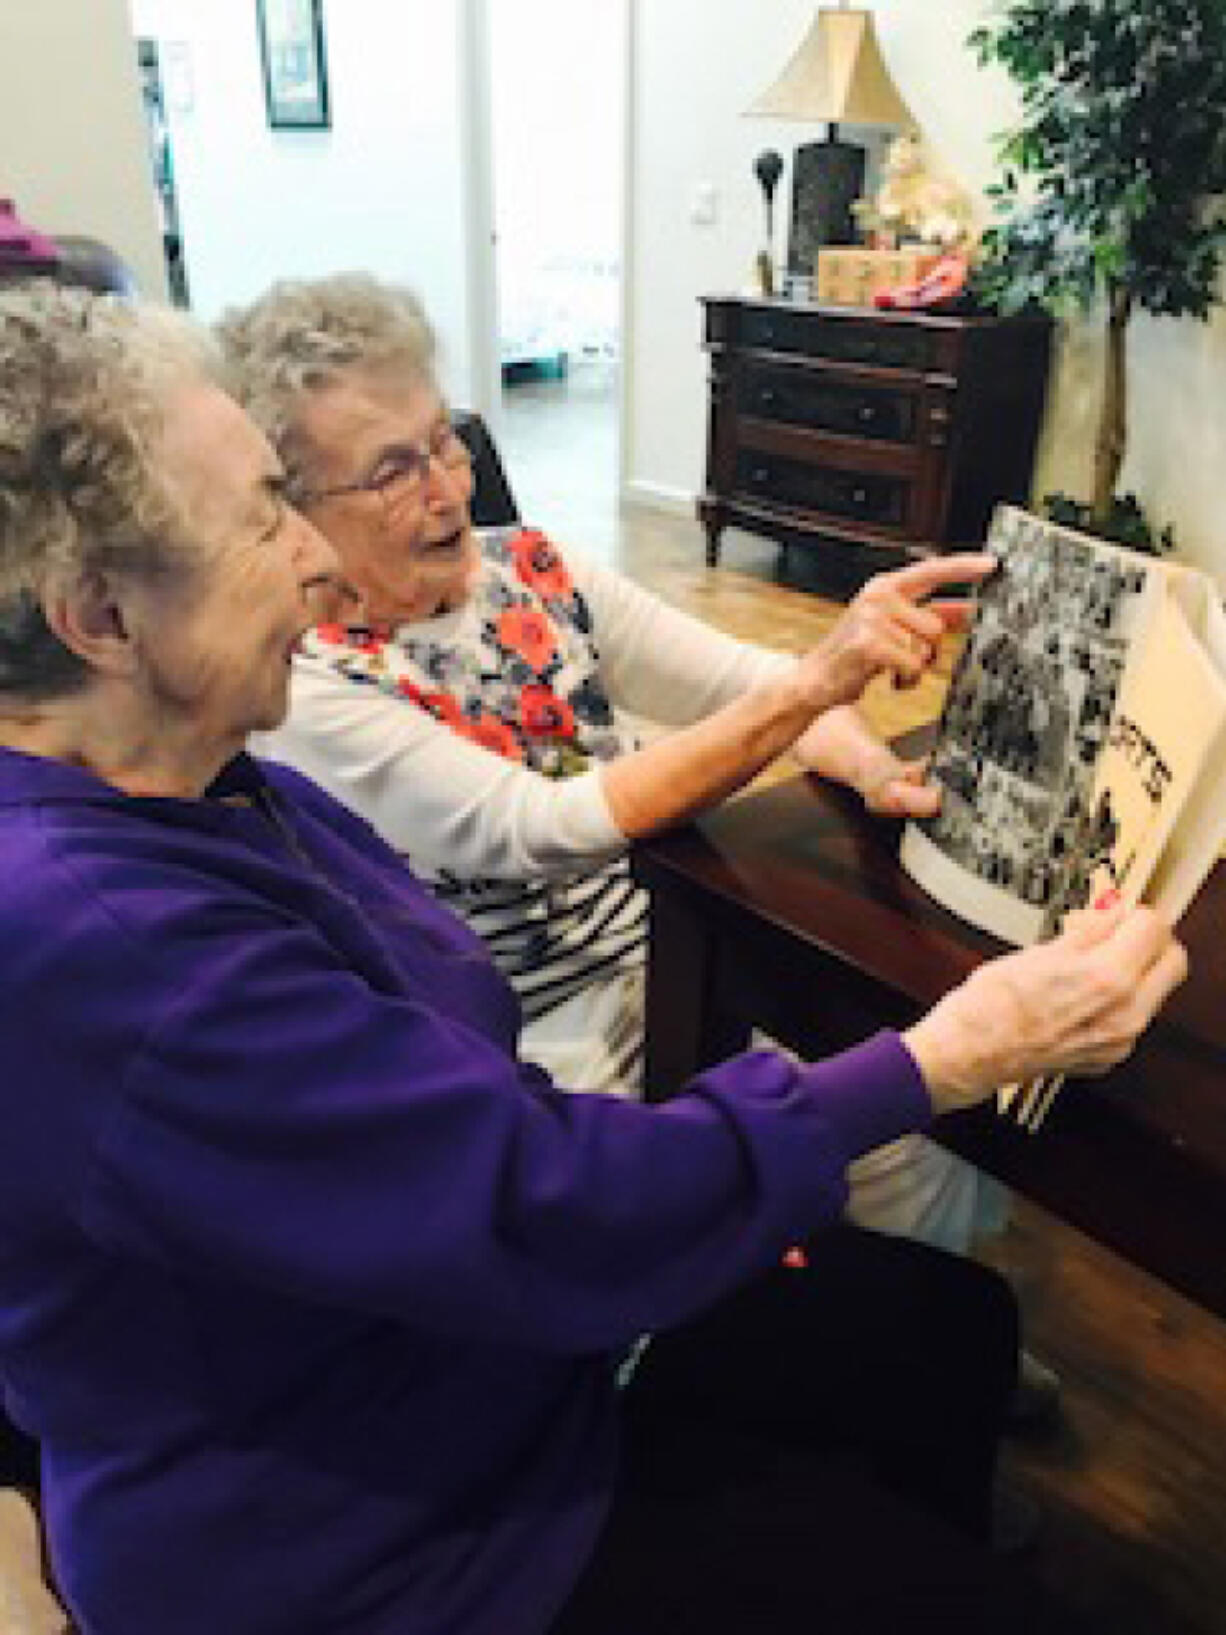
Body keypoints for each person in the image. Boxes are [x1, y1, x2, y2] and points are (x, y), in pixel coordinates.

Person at [0, 282, 1185, 1635]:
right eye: (267, 515)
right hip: (402, 1545)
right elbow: (536, 1203)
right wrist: (948, 1054)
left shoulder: (197, 773)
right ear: (98, 617)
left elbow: (470, 1123)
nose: (316, 563)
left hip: (491, 1349)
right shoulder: (106, 946)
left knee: (942, 1328)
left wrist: (825, 736)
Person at [223, 273, 992, 1255]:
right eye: (390, 470)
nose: (447, 487)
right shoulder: (308, 687)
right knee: (820, 1136)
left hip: (679, 935)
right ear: (294, 513)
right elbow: (541, 828)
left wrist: (870, 767)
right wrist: (809, 689)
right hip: (536, 1032)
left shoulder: (530, 568)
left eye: (445, 440)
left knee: (907, 1107)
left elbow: (736, 679)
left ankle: (921, 1329)